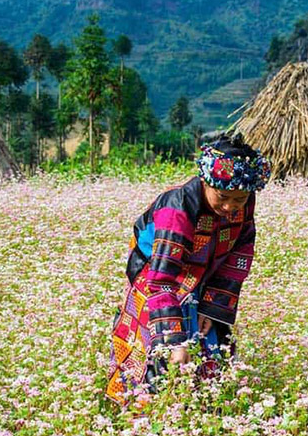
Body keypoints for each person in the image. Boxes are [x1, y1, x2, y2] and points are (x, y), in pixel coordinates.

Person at [106, 130, 271, 406]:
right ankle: (144, 413)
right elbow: (161, 280)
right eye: (223, 196)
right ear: (206, 182)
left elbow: (237, 257)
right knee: (155, 351)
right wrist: (175, 342)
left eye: (240, 199)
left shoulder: (243, 206)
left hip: (202, 277)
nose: (230, 206)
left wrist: (210, 306)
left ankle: (203, 408)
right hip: (155, 274)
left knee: (210, 341)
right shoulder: (178, 207)